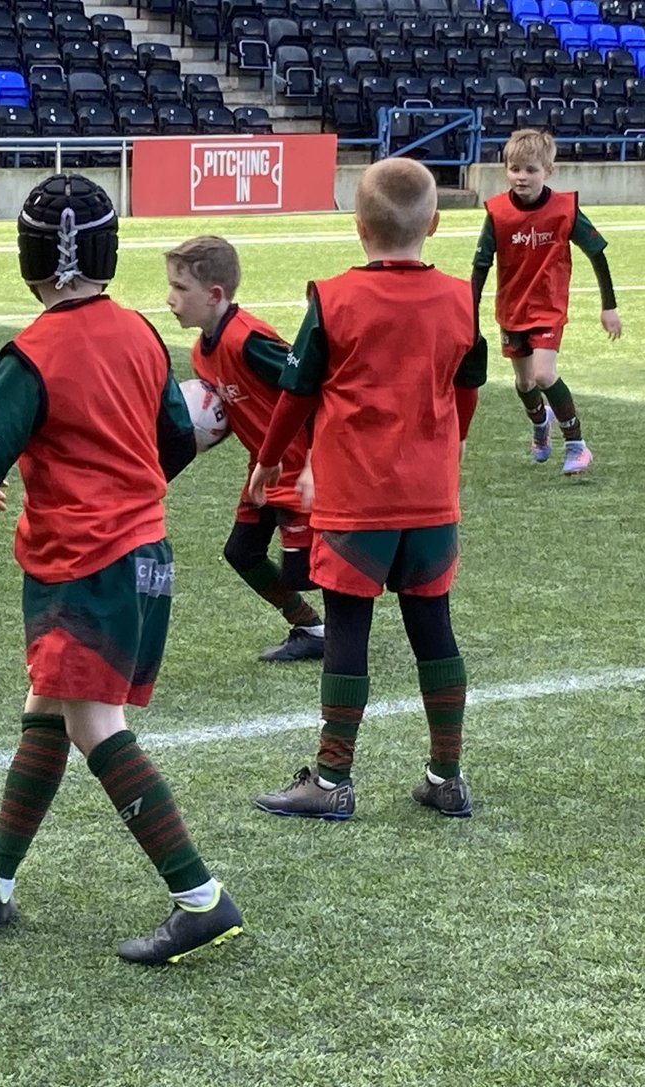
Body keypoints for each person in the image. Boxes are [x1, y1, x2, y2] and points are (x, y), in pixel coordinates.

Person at [0, 174, 242, 965]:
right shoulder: (144, 333)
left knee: (92, 723)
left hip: (81, 563)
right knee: (48, 705)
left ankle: (200, 896)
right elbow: (176, 439)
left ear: (31, 259)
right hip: (144, 554)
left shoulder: (34, 352)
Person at [246, 158, 487, 821]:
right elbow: (466, 395)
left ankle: (330, 779)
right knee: (434, 630)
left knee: (349, 630)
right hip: (431, 497)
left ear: (358, 227)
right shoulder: (462, 299)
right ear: (434, 224)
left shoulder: (333, 298)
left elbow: (295, 394)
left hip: (358, 500)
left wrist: (267, 464)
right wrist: (445, 443)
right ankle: (447, 774)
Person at [165, 235, 325, 663]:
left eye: (180, 289)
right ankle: (312, 627)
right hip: (264, 468)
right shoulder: (202, 352)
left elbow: (307, 388)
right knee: (242, 552)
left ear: (214, 294)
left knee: (307, 569)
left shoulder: (248, 340)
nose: (170, 299)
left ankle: (348, 629)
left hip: (297, 468)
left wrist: (314, 460)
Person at [472, 128, 622, 476]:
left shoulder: (564, 210)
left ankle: (577, 444)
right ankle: (541, 424)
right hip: (512, 308)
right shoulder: (498, 213)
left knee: (543, 374)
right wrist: (470, 315)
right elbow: (481, 265)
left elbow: (597, 253)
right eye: (514, 168)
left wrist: (608, 306)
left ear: (548, 171)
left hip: (548, 307)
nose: (521, 177)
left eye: (530, 170)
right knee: (524, 383)